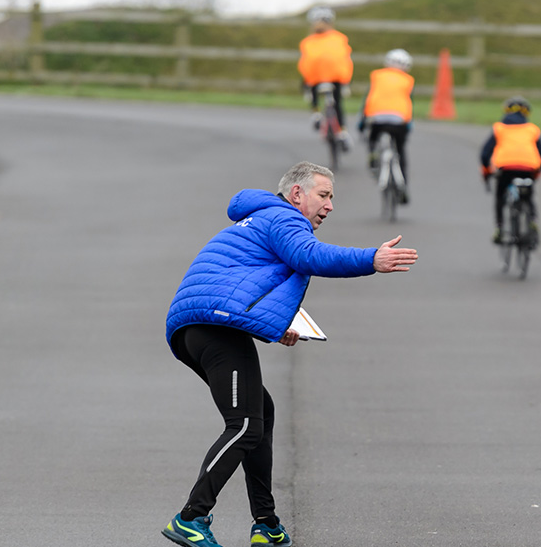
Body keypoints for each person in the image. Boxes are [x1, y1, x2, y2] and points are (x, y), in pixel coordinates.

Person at [161, 162, 418, 547]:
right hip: (213, 328)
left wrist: (274, 326)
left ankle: (266, 523)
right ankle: (190, 517)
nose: (330, 206)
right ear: (297, 194)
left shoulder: (262, 218)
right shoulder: (283, 218)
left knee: (260, 413)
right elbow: (309, 257)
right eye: (324, 195)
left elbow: (240, 282)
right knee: (245, 424)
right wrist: (371, 260)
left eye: (332, 198)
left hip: (199, 326)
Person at [479, 96, 541, 244]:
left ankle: (500, 228)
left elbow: (485, 153)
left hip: (506, 167)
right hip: (529, 167)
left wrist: (486, 171)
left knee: (500, 196)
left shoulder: (499, 128)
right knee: (528, 194)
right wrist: (537, 172)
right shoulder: (532, 129)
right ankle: (532, 220)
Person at [358, 48, 415, 200]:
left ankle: (372, 157)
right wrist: (408, 125)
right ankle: (403, 185)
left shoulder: (377, 76)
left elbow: (368, 100)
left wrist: (362, 124)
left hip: (377, 118)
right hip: (399, 120)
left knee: (372, 138)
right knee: (401, 150)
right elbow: (409, 104)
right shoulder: (408, 80)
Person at [298, 6, 354, 149]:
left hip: (316, 78)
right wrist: (347, 81)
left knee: (309, 85)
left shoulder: (307, 41)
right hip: (337, 77)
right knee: (338, 103)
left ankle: (315, 112)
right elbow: (346, 60)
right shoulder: (340, 38)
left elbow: (305, 64)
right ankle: (342, 132)